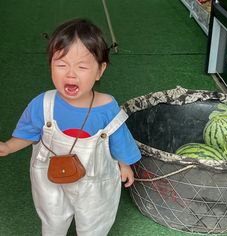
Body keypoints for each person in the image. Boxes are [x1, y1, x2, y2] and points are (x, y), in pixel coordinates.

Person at [0, 18, 141, 236]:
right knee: (52, 219)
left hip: (95, 183)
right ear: (50, 65)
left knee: (95, 222)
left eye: (82, 66)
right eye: (61, 65)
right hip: (50, 181)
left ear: (99, 71)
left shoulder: (107, 107)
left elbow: (119, 138)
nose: (71, 73)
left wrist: (125, 165)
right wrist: (8, 147)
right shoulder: (43, 104)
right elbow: (28, 133)